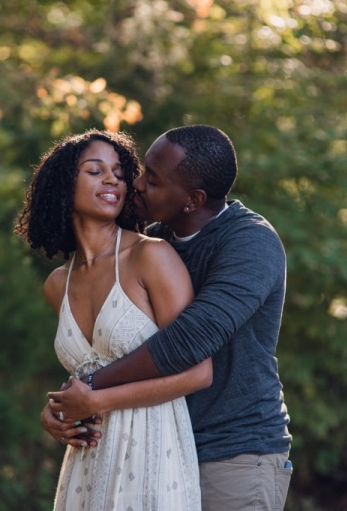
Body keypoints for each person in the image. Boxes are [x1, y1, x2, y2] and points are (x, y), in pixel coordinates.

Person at [45, 125, 293, 511]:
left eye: (153, 180)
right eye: (142, 172)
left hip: (232, 452)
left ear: (192, 200)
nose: (137, 184)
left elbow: (188, 342)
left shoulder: (249, 243)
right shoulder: (156, 241)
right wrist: (64, 405)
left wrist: (89, 390)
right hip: (153, 446)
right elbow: (112, 352)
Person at [15, 129, 212, 510]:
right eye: (95, 170)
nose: (112, 180)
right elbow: (95, 369)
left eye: (120, 173)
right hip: (88, 460)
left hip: (155, 451)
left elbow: (199, 373)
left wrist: (96, 400)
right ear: (62, 184)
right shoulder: (58, 284)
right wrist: (55, 411)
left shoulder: (151, 257)